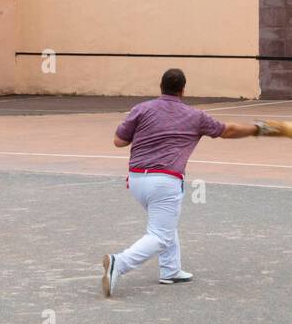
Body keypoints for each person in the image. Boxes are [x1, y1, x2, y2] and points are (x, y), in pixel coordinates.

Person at [101, 68, 263, 296]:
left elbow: (119, 141)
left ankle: (170, 270)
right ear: (183, 90)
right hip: (165, 181)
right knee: (160, 235)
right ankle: (120, 263)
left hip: (137, 180)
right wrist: (258, 129)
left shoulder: (141, 108)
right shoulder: (195, 116)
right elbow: (228, 131)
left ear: (161, 87)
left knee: (164, 223)